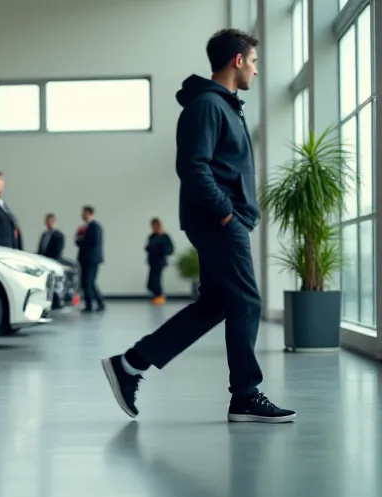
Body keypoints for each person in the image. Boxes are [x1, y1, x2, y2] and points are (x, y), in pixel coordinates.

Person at [101, 29, 295, 424]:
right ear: (237, 61)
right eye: (253, 62)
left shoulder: (223, 105)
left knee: (217, 303)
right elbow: (193, 166)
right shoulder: (207, 105)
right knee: (246, 301)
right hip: (218, 221)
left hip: (221, 220)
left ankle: (130, 364)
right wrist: (226, 212)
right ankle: (245, 394)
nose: (257, 71)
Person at [76, 205, 105, 312]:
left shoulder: (95, 226)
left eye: (84, 213)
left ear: (89, 213)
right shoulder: (85, 227)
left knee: (89, 283)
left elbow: (93, 241)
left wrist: (82, 239)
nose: (82, 215)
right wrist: (80, 238)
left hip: (92, 259)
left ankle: (93, 304)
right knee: (87, 283)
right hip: (84, 259)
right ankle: (96, 303)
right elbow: (78, 242)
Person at [145, 218, 174, 305]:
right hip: (152, 262)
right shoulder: (152, 236)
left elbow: (170, 249)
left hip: (159, 262)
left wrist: (162, 250)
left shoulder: (165, 237)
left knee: (156, 280)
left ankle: (159, 296)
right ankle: (156, 295)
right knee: (150, 283)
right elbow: (148, 248)